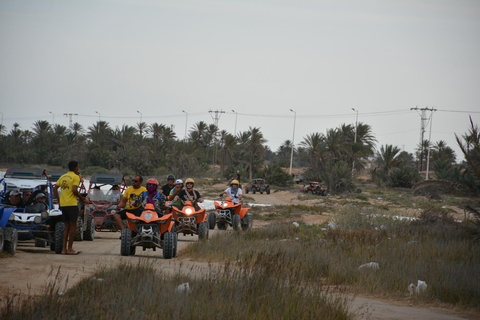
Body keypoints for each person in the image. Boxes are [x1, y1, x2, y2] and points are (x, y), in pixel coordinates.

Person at [52, 160, 89, 255]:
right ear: (76, 167)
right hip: (71, 204)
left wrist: (59, 200)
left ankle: (64, 250)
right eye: (78, 167)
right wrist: (81, 198)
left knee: (66, 227)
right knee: (73, 226)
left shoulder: (63, 176)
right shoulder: (75, 177)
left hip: (63, 204)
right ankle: (70, 249)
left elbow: (55, 188)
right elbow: (74, 190)